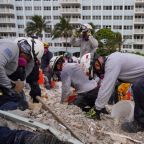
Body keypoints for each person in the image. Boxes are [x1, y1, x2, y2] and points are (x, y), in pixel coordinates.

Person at [91, 52, 144, 133]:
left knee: (138, 86)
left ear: (98, 59)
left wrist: (97, 108)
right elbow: (104, 85)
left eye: (97, 66)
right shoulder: (112, 60)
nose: (98, 68)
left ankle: (140, 123)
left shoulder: (112, 62)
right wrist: (101, 105)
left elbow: (106, 86)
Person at [0, 37, 44, 110]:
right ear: (26, 49)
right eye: (29, 57)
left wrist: (19, 85)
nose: (28, 60)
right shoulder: (12, 47)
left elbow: (23, 76)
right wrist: (11, 85)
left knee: (18, 99)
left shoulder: (28, 61)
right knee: (7, 102)